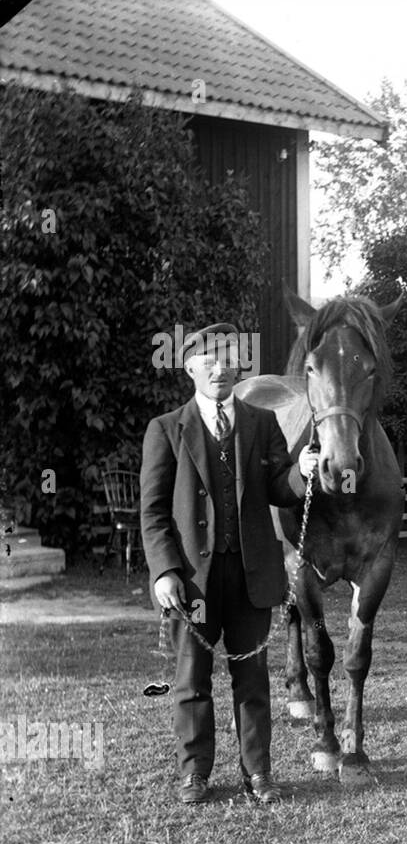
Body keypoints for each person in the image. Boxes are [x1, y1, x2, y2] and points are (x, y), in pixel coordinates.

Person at [141, 324, 318, 805]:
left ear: (241, 366)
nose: (220, 368)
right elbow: (154, 512)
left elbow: (278, 490)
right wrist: (164, 572)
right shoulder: (166, 429)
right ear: (190, 368)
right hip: (192, 582)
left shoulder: (261, 422)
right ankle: (195, 773)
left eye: (229, 359)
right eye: (209, 360)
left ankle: (258, 772)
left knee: (253, 677)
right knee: (192, 678)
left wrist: (300, 474)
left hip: (251, 575)